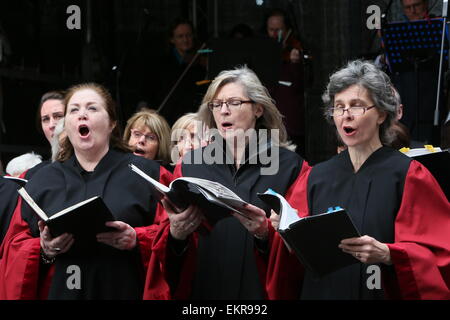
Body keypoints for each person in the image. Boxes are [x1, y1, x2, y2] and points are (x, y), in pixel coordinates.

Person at [267, 60, 450, 299]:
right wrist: (283, 231)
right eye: (339, 107)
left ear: (382, 114)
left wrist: (388, 253)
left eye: (357, 106)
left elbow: (438, 254)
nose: (346, 115)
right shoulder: (314, 177)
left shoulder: (408, 175)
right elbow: (292, 262)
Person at [143, 66, 310, 300]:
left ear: (258, 109)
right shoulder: (190, 165)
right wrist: (176, 234)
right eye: (217, 104)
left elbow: (304, 250)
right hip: (204, 290)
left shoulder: (292, 168)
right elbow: (165, 247)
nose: (223, 111)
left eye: (233, 102)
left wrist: (265, 235)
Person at [0, 83, 169, 299]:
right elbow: (14, 246)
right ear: (66, 125)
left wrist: (137, 239)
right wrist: (43, 249)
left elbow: (175, 236)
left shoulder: (148, 174)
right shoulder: (40, 179)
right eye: (74, 110)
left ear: (111, 124)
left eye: (92, 108)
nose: (82, 115)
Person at [264, 8, 306, 157]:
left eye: (279, 30)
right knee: (269, 170)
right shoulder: (261, 55)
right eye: (271, 30)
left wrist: (296, 64)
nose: (275, 35)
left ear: (287, 30)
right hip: (266, 126)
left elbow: (304, 84)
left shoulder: (295, 51)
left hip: (291, 126)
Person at [156, 18, 207, 126]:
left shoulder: (200, 61)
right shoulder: (163, 63)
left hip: (194, 118)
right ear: (172, 40)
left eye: (188, 35)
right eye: (180, 36)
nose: (185, 40)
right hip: (169, 117)